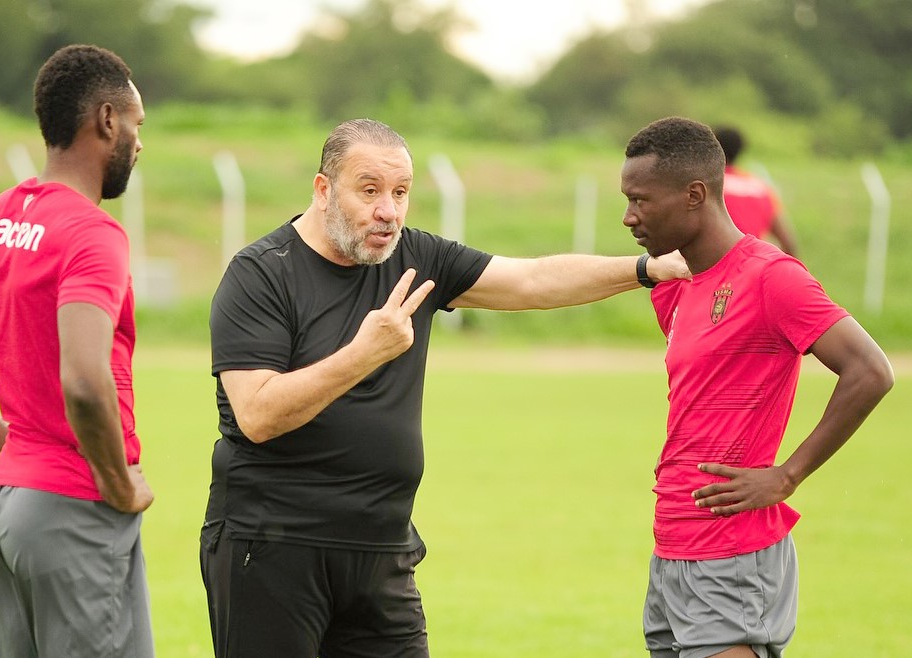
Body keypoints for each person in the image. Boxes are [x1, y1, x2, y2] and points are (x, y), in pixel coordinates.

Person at [200, 117, 690, 658]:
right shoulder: (261, 274)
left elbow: (532, 280)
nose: (388, 209)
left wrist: (648, 267)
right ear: (322, 190)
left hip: (382, 550)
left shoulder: (418, 257)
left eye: (401, 192)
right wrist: (364, 355)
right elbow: (258, 414)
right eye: (369, 191)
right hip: (271, 548)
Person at [0, 44, 154, 657]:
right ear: (106, 120)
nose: (140, 144)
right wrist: (117, 483)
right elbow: (84, 381)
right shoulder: (93, 234)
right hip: (73, 510)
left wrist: (14, 444)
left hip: (2, 509)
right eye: (137, 125)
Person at [621, 116, 893, 658]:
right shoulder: (673, 289)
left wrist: (787, 475)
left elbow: (871, 370)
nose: (629, 217)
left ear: (695, 194)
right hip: (673, 542)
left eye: (641, 201)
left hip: (731, 552)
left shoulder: (772, 277)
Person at [713, 125, 800, 256]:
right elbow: (788, 242)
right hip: (752, 263)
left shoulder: (705, 185)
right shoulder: (760, 187)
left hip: (717, 264)